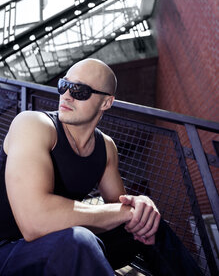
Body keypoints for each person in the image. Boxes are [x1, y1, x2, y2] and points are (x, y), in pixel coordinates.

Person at [0, 58, 202, 275]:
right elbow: (35, 221)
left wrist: (140, 207)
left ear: (106, 102)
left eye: (80, 90)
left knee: (149, 223)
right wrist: (123, 211)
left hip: (60, 242)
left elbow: (121, 209)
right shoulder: (32, 124)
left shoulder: (106, 147)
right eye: (64, 85)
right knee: (79, 241)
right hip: (8, 248)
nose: (66, 95)